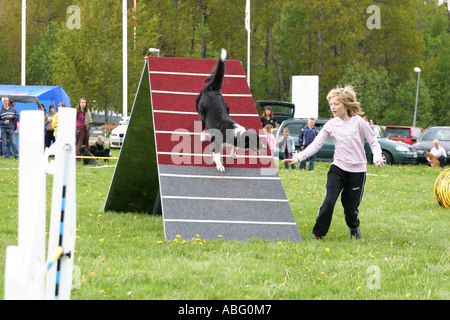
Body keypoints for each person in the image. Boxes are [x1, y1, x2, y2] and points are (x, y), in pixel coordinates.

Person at [283, 86, 383, 240]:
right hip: (338, 168)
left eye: (336, 104)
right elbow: (316, 145)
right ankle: (318, 234)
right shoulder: (331, 124)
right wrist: (299, 157)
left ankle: (354, 227)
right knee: (329, 201)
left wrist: (377, 156)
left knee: (350, 209)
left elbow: (373, 140)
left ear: (345, 104)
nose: (333, 107)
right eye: (331, 104)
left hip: (357, 172)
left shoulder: (359, 122)